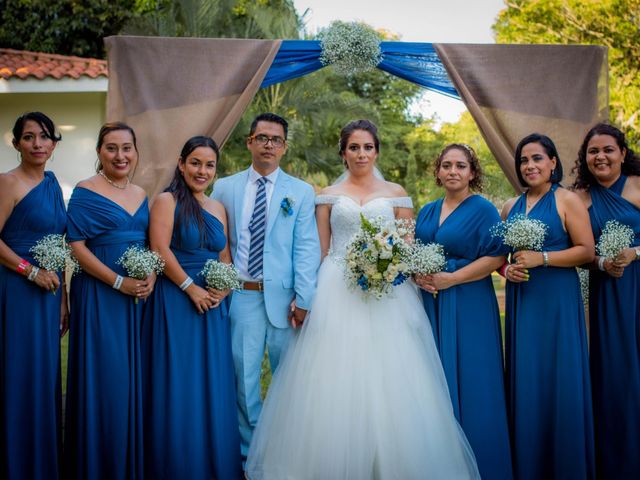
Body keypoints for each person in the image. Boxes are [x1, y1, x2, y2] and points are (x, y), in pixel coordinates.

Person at [246, 120, 480, 479]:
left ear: (377, 151)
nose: (361, 154)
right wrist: (305, 296)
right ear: (343, 153)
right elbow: (320, 250)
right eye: (354, 147)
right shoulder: (326, 194)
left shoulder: (396, 193)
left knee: (392, 376)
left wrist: (386, 265)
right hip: (336, 289)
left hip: (388, 292)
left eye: (368, 147)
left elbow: (407, 246)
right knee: (332, 376)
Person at [211, 112, 320, 461]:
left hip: (286, 300)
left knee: (290, 382)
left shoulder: (301, 192)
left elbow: (306, 247)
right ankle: (251, 455)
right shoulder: (224, 187)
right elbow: (217, 240)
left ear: (284, 147)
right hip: (241, 296)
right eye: (262, 138)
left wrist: (304, 299)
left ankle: (287, 452)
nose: (269, 144)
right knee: (244, 382)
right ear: (250, 142)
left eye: (276, 140)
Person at [143, 136, 242, 478]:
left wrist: (222, 290)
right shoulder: (166, 200)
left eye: (209, 165)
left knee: (211, 384)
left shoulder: (217, 208)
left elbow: (225, 256)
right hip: (176, 301)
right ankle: (177, 464)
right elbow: (159, 249)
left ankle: (211, 463)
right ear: (182, 164)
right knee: (179, 382)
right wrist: (191, 289)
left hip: (212, 305)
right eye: (196, 163)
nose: (202, 171)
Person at [415, 143, 513, 480]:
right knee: (432, 373)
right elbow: (415, 250)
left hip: (469, 300)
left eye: (460, 166)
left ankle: (481, 460)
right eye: (446, 165)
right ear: (438, 172)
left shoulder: (484, 209)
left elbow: (497, 256)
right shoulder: (427, 210)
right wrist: (418, 274)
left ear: (472, 172)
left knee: (472, 374)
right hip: (430, 300)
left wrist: (452, 279)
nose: (453, 171)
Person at [501, 133, 595, 479]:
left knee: (559, 377)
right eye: (524, 160)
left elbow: (587, 251)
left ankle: (565, 465)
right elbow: (501, 256)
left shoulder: (567, 200)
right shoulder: (510, 206)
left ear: (553, 162)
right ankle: (530, 465)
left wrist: (543, 258)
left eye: (537, 158)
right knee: (527, 377)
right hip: (523, 302)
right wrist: (506, 268)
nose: (530, 166)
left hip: (556, 302)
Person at [64, 122, 154, 479]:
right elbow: (75, 244)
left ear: (136, 151)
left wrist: (149, 273)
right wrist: (118, 281)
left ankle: (128, 461)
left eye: (127, 148)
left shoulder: (143, 193)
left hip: (137, 299)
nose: (121, 156)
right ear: (99, 153)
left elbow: (148, 243)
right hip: (100, 296)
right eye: (112, 148)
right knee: (105, 378)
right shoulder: (86, 191)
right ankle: (97, 462)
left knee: (132, 380)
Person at [0, 112, 66, 480]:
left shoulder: (54, 184)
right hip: (16, 290)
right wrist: (30, 271)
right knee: (18, 373)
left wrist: (64, 298)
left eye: (44, 137)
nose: (37, 144)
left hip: (48, 293)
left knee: (43, 376)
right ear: (16, 144)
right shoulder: (7, 183)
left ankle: (41, 462)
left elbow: (58, 244)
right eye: (29, 137)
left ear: (54, 144)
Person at [572, 123, 640, 479]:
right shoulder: (579, 197)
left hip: (638, 284)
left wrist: (636, 252)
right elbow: (577, 248)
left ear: (622, 154)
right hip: (607, 296)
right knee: (614, 376)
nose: (600, 157)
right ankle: (618, 463)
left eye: (608, 150)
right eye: (593, 151)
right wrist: (601, 262)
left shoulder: (637, 186)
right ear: (585, 157)